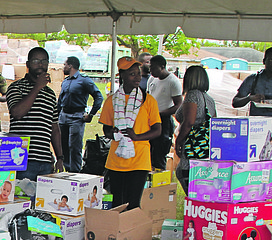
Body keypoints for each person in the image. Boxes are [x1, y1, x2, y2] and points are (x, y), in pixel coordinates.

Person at [100, 57, 162, 209]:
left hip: (139, 159)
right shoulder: (111, 101)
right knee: (118, 204)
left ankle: (131, 232)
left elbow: (157, 130)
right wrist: (112, 132)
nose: (137, 77)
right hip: (116, 160)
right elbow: (105, 129)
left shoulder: (148, 101)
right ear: (122, 75)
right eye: (132, 74)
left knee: (133, 204)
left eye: (138, 74)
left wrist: (137, 137)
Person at [6, 47, 64, 181]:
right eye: (36, 61)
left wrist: (60, 158)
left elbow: (54, 128)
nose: (40, 64)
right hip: (21, 160)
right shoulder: (16, 87)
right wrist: (37, 87)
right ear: (27, 65)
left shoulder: (50, 94)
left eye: (44, 61)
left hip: (44, 161)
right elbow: (17, 113)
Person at [174, 65, 217, 194]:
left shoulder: (192, 95)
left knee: (185, 173)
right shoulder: (208, 98)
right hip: (205, 145)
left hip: (193, 143)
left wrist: (179, 141)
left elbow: (189, 122)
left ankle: (193, 201)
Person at [57, 56, 103, 172]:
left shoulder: (84, 80)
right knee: (63, 146)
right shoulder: (66, 81)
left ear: (71, 66)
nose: (64, 67)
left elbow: (98, 97)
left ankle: (75, 172)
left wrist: (91, 114)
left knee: (75, 146)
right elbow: (60, 101)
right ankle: (67, 170)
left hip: (77, 116)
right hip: (63, 116)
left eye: (65, 65)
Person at [147, 55, 182, 170]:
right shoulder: (152, 79)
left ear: (162, 67)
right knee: (148, 151)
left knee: (159, 152)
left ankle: (160, 179)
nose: (150, 70)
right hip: (149, 119)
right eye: (150, 67)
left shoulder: (173, 81)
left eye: (153, 67)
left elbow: (178, 105)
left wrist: (160, 113)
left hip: (164, 121)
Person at [232, 47, 272, 117]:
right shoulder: (252, 79)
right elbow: (235, 103)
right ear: (264, 61)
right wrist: (249, 98)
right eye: (271, 60)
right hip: (256, 124)